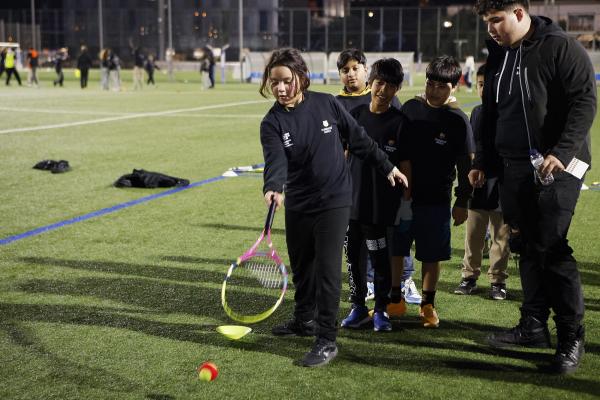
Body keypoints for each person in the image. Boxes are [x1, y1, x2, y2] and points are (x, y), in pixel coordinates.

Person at [259, 48, 407, 367]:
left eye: (286, 81)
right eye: (274, 83)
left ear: (301, 77)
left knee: (327, 271)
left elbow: (359, 140)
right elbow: (275, 161)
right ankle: (303, 320)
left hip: (335, 201)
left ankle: (326, 339)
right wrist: (272, 187)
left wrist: (387, 167)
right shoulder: (271, 122)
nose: (281, 88)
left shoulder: (327, 103)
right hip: (298, 203)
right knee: (303, 268)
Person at [472, 0, 596, 374]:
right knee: (523, 242)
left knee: (551, 247)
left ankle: (572, 337)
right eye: (487, 22)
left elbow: (585, 102)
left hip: (557, 165)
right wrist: (483, 162)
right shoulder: (499, 54)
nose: (491, 29)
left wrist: (561, 152)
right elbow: (492, 112)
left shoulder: (561, 47)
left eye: (497, 20)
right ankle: (533, 326)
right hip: (514, 168)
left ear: (520, 14)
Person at [397, 55, 473, 328]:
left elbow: (466, 165)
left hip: (437, 200)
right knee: (396, 250)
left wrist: (462, 200)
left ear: (455, 86)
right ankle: (395, 299)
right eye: (431, 84)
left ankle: (428, 306)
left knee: (432, 255)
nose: (434, 91)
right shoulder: (410, 108)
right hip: (402, 198)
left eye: (442, 86)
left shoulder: (457, 120)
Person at [340, 58, 410, 332]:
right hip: (351, 203)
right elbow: (344, 154)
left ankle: (380, 309)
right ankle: (358, 306)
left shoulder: (400, 122)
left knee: (380, 259)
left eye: (390, 86)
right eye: (379, 83)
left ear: (397, 89)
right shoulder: (355, 116)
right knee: (353, 258)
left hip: (381, 206)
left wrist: (406, 201)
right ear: (371, 83)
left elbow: (405, 165)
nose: (383, 90)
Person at [454, 64, 511, 300]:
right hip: (478, 181)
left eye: (489, 85)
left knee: (501, 235)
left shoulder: (510, 112)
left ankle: (497, 280)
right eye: (480, 84)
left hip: (503, 182)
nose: (484, 89)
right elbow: (472, 147)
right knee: (474, 234)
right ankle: (469, 277)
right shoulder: (476, 112)